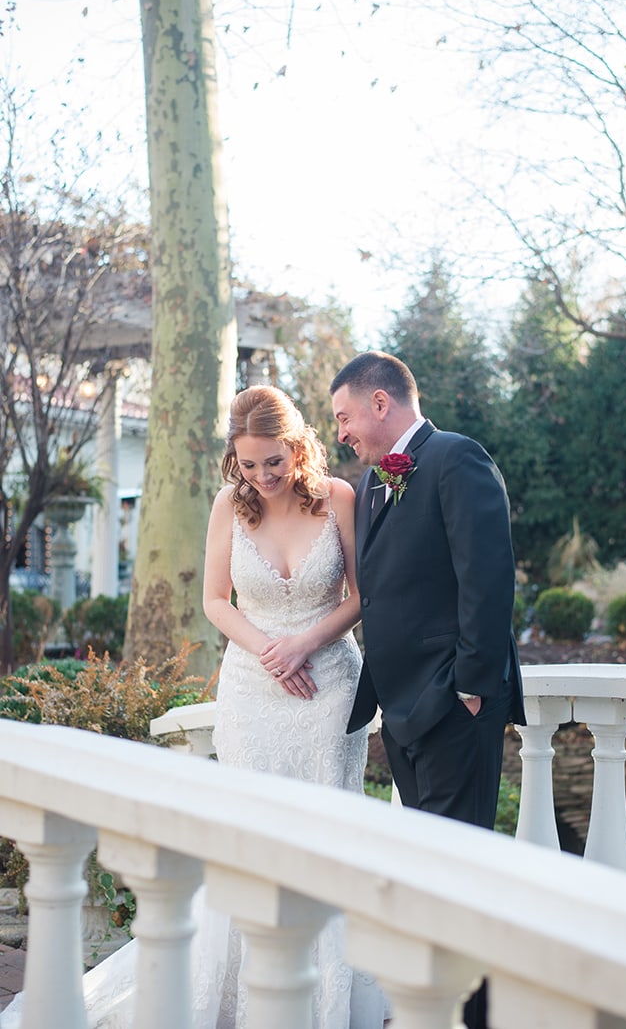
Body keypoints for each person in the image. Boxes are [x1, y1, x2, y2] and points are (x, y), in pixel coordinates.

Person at [2, 385, 387, 1029]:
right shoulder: (228, 507)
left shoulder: (339, 499)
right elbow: (215, 601)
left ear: (297, 447)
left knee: (320, 835)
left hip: (326, 689)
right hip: (254, 689)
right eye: (248, 463)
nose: (262, 476)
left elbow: (361, 595)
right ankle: (235, 990)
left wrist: (307, 644)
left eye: (274, 461)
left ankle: (323, 999)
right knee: (248, 834)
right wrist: (272, 651)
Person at [330, 351, 526, 1029]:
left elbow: (488, 576)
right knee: (432, 869)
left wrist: (471, 687)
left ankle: (472, 1020)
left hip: (454, 705)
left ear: (380, 403)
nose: (342, 433)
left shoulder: (457, 458)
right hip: (404, 711)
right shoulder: (376, 483)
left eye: (345, 416)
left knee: (458, 874)